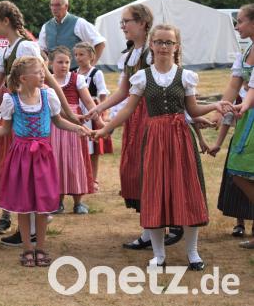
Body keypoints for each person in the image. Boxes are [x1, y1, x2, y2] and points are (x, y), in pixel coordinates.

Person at [94, 24, 229, 270]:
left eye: (169, 42)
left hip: (180, 140)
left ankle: (193, 253)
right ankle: (159, 255)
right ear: (152, 46)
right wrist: (105, 128)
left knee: (187, 192)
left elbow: (193, 109)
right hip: (155, 139)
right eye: (159, 42)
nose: (164, 47)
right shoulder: (143, 77)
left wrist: (215, 105)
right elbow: (127, 109)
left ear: (176, 46)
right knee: (155, 193)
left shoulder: (185, 76)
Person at [0, 1, 78, 246]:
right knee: (19, 176)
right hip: (17, 116)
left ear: (6, 21)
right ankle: (28, 226)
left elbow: (50, 83)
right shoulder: (7, 50)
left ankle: (35, 227)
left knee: (32, 176)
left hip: (32, 117)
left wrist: (68, 113)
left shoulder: (26, 47)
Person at [0, 56, 90, 267]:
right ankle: (27, 248)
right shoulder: (11, 100)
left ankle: (41, 247)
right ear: (24, 78)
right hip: (21, 157)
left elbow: (58, 121)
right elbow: (5, 128)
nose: (43, 75)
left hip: (43, 156)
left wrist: (77, 128)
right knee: (24, 205)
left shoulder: (48, 96)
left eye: (43, 71)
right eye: (38, 72)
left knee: (42, 205)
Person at [84, 4, 182, 249]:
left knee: (155, 171)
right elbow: (124, 91)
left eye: (126, 21)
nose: (123, 26)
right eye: (122, 22)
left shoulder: (154, 52)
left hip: (155, 117)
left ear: (142, 23)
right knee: (137, 171)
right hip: (136, 119)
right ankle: (150, 230)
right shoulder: (130, 55)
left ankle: (172, 223)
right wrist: (98, 108)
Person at [218, 3, 254, 249]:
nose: (236, 25)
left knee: (240, 170)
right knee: (238, 171)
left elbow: (252, 89)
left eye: (240, 20)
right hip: (248, 118)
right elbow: (234, 86)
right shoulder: (246, 52)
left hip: (250, 115)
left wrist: (244, 104)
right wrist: (223, 107)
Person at [48, 47, 98, 214]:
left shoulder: (77, 79)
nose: (64, 65)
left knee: (75, 162)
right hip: (54, 125)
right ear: (50, 63)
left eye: (67, 62)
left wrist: (95, 116)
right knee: (56, 162)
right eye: (60, 62)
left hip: (74, 124)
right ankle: (58, 201)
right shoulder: (47, 81)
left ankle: (78, 202)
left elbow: (89, 102)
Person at [72, 42, 111, 191]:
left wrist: (103, 111)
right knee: (80, 145)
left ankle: (93, 179)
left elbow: (102, 93)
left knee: (93, 148)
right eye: (76, 54)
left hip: (93, 109)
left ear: (91, 56)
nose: (78, 58)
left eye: (82, 54)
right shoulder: (74, 73)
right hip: (78, 110)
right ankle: (81, 177)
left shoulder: (96, 73)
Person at [38, 0, 106, 69]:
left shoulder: (78, 23)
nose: (54, 8)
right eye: (52, 5)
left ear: (66, 6)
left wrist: (90, 66)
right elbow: (42, 50)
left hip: (75, 73)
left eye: (58, 5)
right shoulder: (46, 27)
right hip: (53, 74)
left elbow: (100, 43)